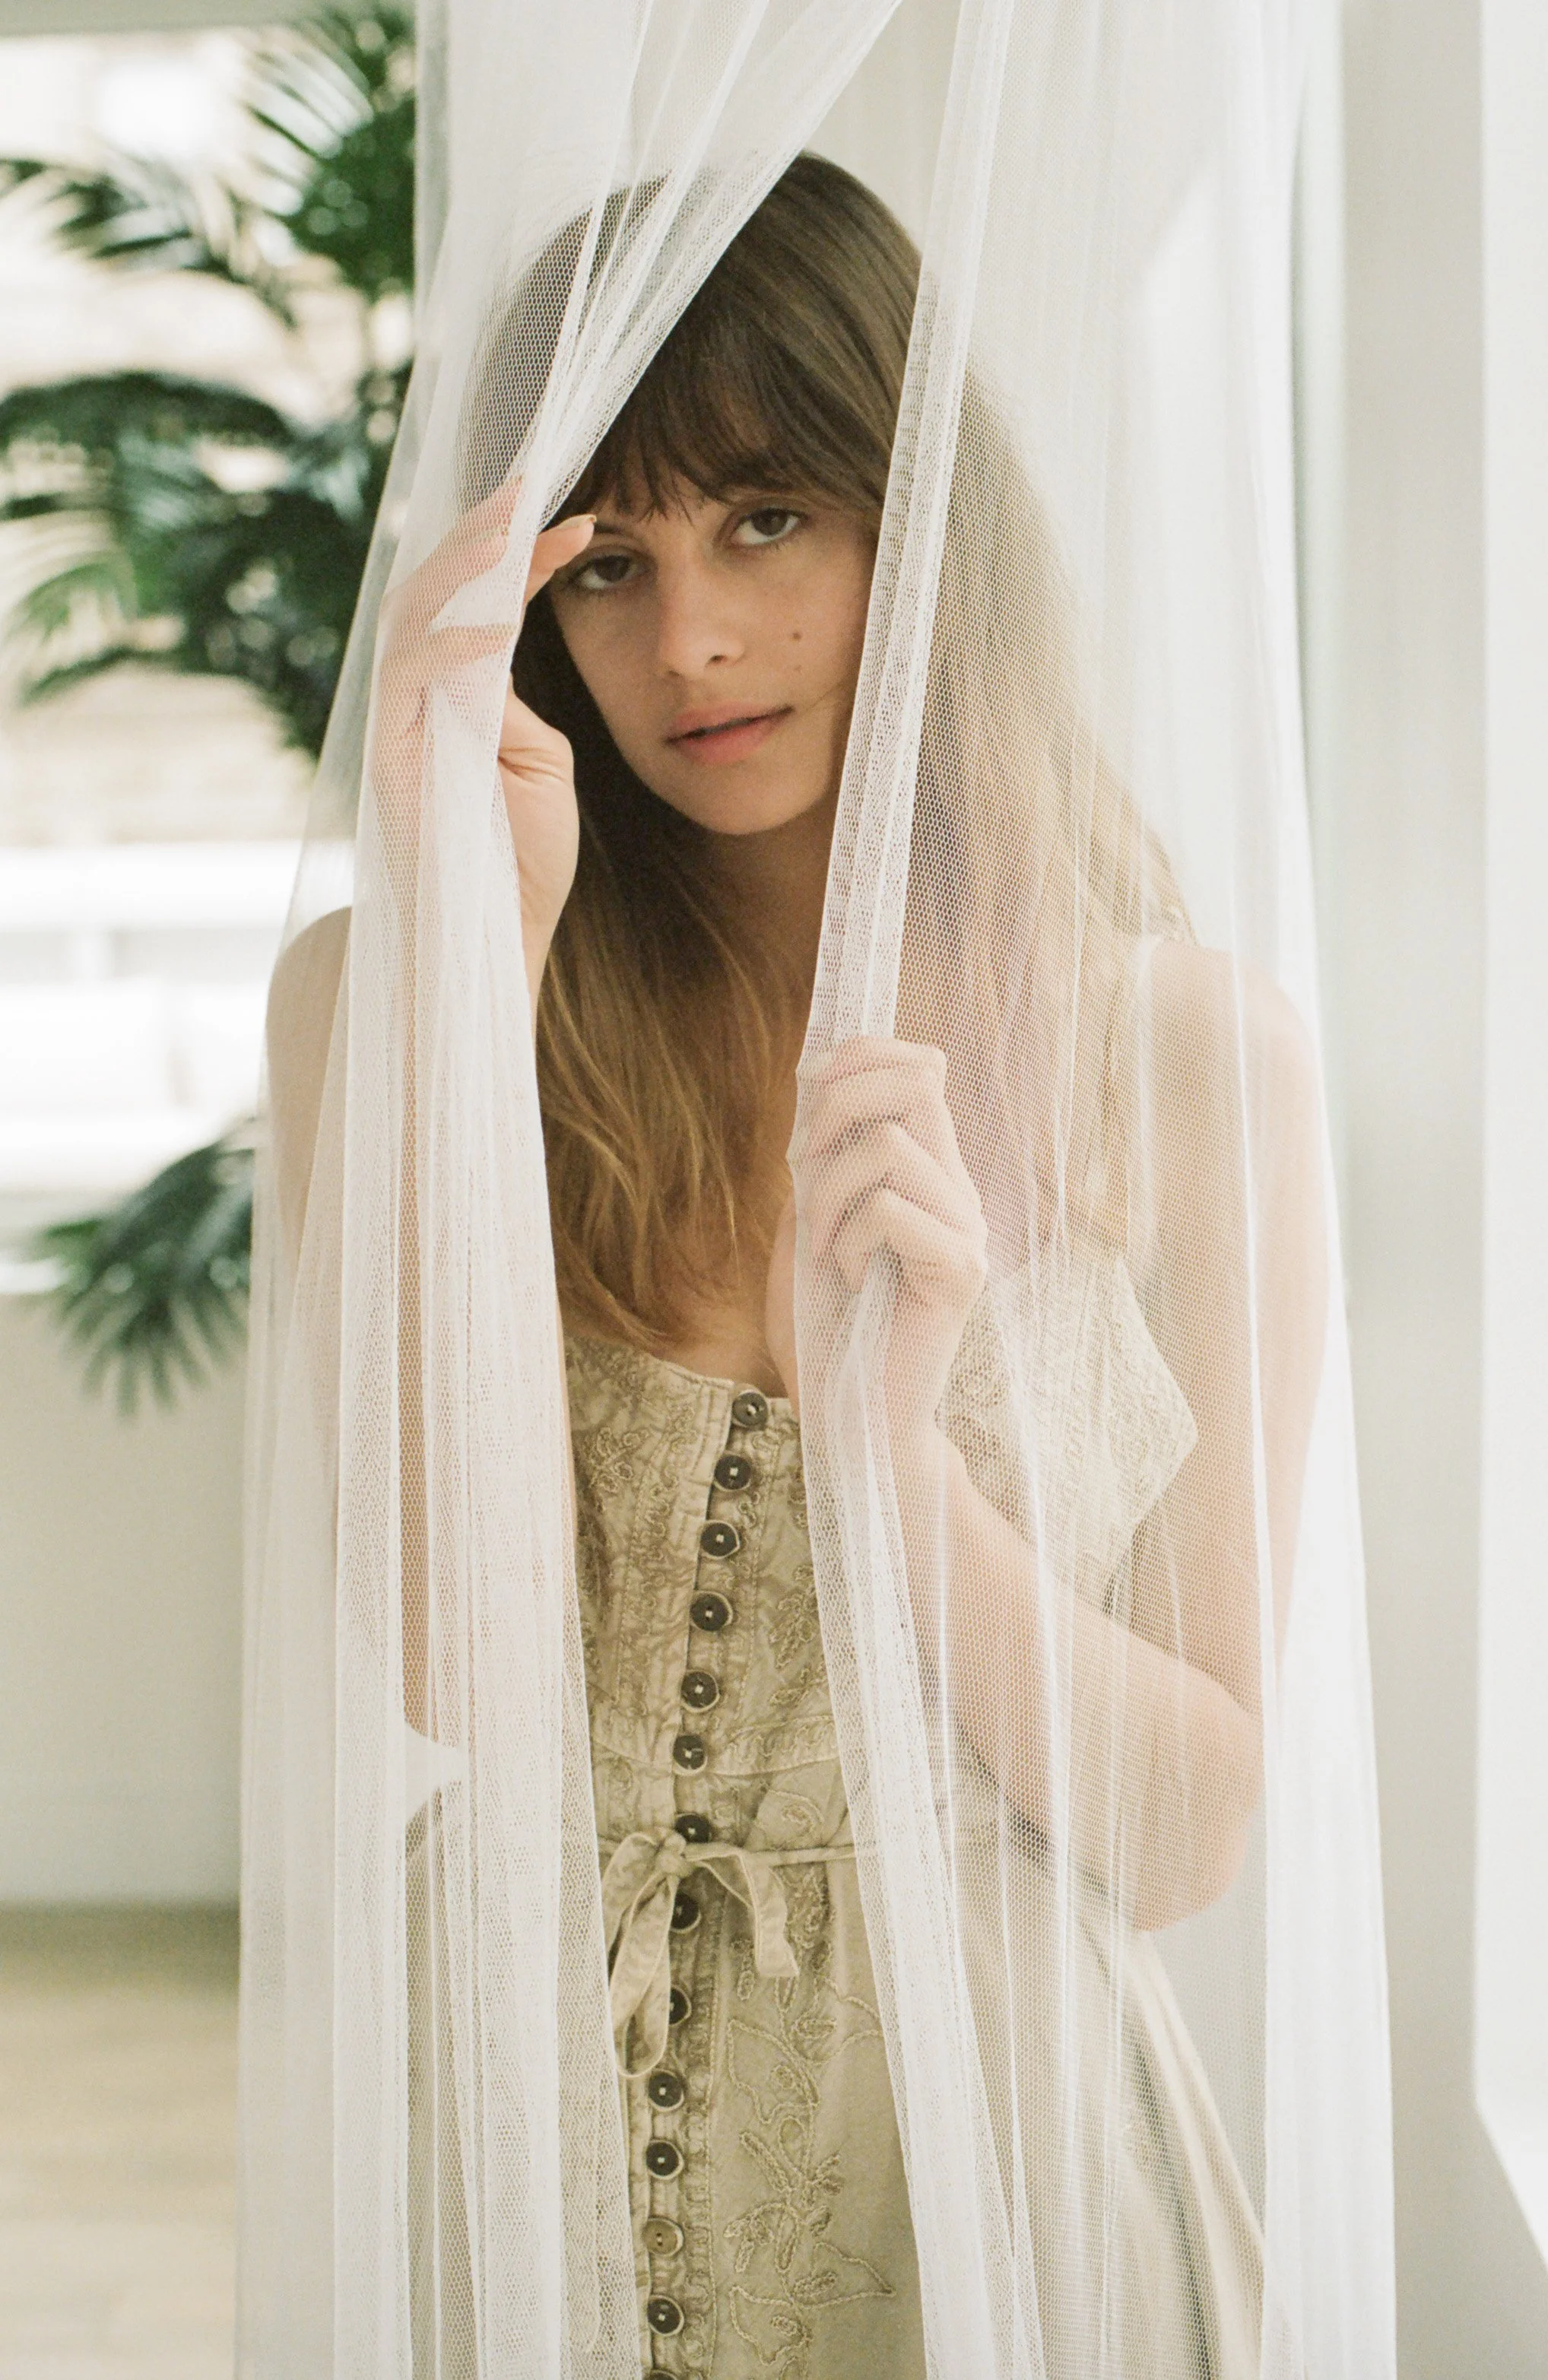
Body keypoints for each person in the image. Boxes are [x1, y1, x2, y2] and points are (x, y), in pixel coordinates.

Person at [268, 153, 1326, 2379]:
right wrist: (488, 966)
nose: (691, 648)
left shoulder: (1177, 1058)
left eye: (767, 519)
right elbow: (460, 1666)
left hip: (1003, 2198)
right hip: (524, 2132)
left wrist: (899, 1479)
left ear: (920, 519)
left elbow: (1193, 1833)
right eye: (612, 563)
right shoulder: (395, 1002)